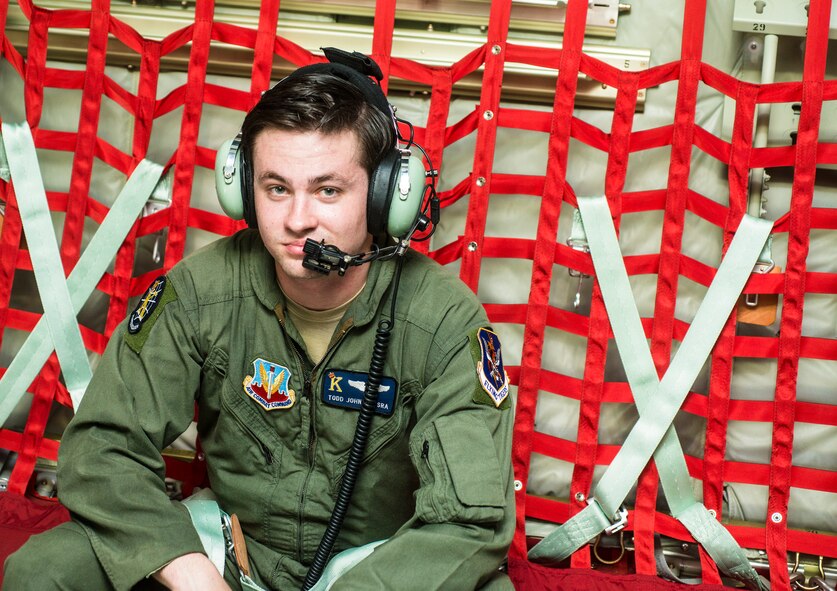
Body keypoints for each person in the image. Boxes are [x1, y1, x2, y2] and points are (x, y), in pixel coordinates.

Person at [3, 50, 515, 591]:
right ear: (244, 188)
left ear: (389, 195)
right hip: (229, 555)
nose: (297, 220)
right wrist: (194, 577)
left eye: (328, 190)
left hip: (379, 568)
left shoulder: (444, 321)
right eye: (276, 188)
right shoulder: (201, 291)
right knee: (45, 571)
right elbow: (103, 447)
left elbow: (470, 519)